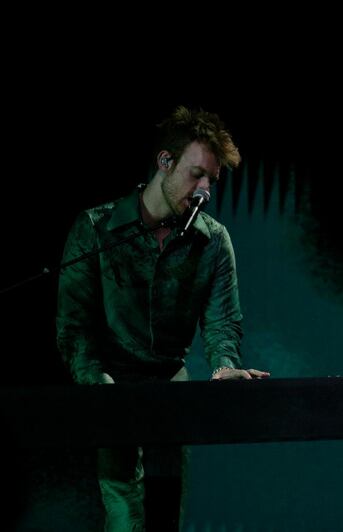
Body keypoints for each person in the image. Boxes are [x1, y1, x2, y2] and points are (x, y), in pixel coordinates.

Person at [56, 106, 269, 531]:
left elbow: (223, 321)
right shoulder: (96, 229)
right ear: (165, 163)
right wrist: (94, 381)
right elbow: (74, 323)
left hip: (171, 388)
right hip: (111, 389)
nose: (205, 188)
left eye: (212, 180)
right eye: (197, 175)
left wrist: (225, 365)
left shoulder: (213, 241)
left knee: (166, 511)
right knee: (124, 515)